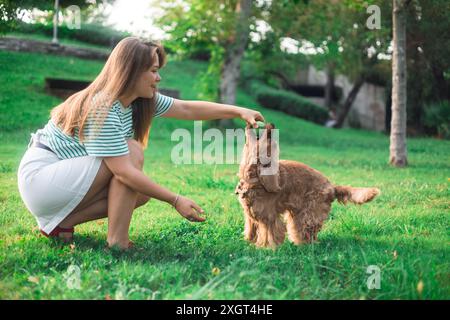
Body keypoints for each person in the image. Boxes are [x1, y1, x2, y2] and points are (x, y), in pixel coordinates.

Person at [17, 37, 265, 250]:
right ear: (131, 71)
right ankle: (118, 242)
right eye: (153, 70)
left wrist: (239, 111)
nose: (158, 78)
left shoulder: (138, 100)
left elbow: (187, 108)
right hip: (42, 180)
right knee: (132, 155)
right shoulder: (102, 107)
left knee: (140, 194)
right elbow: (123, 171)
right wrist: (175, 199)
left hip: (63, 181)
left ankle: (62, 224)